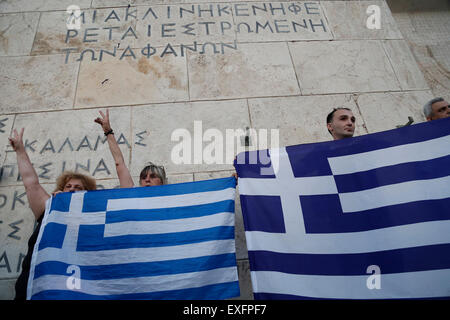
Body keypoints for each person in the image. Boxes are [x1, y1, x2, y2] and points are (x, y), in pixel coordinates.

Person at [9, 128, 96, 300]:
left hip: (77, 284)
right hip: (36, 282)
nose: (71, 190)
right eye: (68, 187)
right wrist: (20, 150)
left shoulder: (94, 217)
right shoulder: (48, 208)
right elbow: (30, 183)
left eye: (78, 188)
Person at [94, 109, 166, 188]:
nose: (147, 180)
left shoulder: (171, 198)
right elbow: (119, 163)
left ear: (162, 182)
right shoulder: (133, 194)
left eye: (153, 176)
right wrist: (108, 132)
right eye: (143, 177)